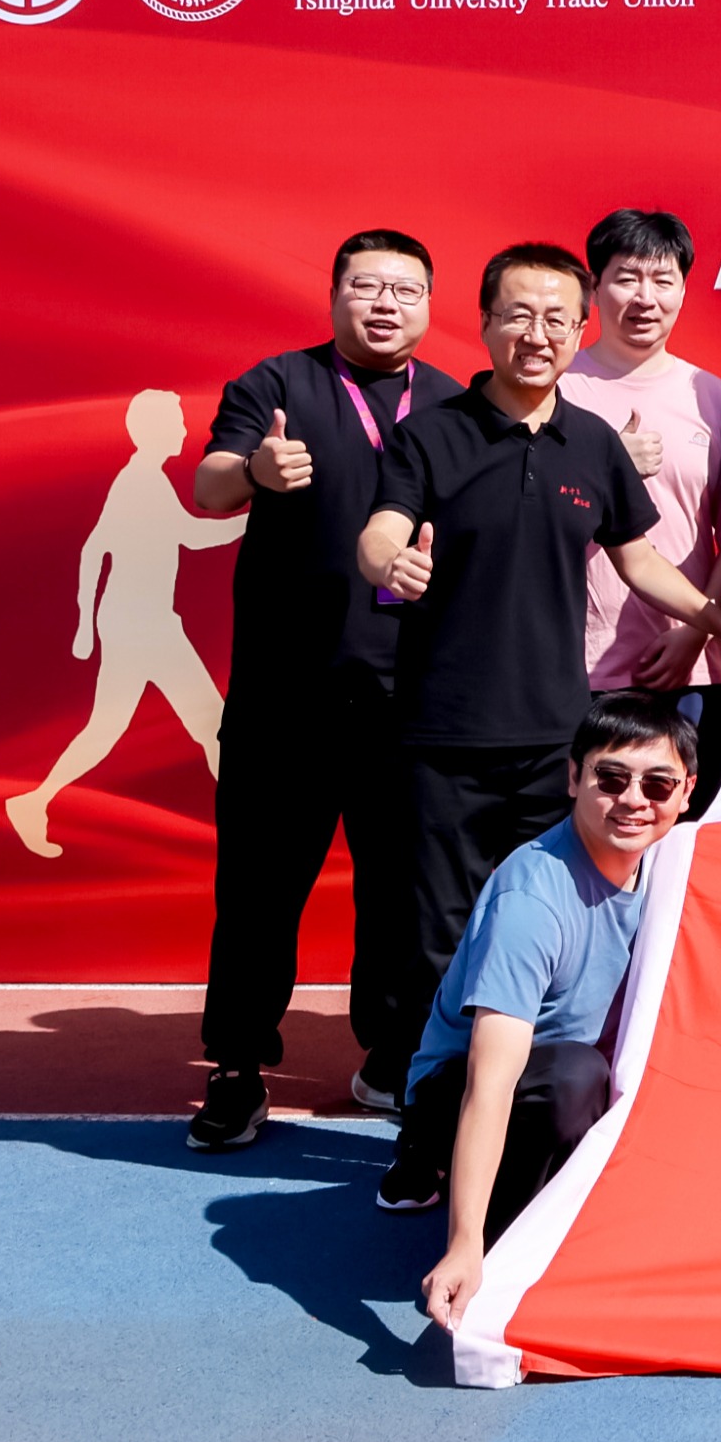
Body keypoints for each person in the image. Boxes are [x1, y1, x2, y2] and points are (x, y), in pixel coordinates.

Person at [356, 243, 721, 1140]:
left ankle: (527, 1122)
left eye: (555, 318)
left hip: (554, 738)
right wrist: (391, 561)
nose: (536, 334)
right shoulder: (431, 434)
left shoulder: (591, 441)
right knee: (438, 938)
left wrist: (716, 618)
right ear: (486, 322)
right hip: (441, 736)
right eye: (518, 315)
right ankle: (426, 1132)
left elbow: (638, 557)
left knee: (554, 930)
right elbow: (382, 529)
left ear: (580, 329)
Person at [180, 232, 467, 1141]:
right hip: (285, 698)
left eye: (405, 290)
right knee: (258, 890)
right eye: (367, 285)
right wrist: (254, 471)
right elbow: (209, 485)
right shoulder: (277, 384)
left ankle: (391, 1053)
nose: (386, 303)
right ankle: (236, 1065)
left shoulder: (456, 402)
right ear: (335, 293)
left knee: (401, 893)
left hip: (412, 699)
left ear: (430, 305)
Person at [399, 695, 697, 1323]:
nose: (634, 800)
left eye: (657, 784)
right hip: (473, 1092)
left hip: (583, 1080)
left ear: (686, 793)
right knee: (572, 1078)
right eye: (610, 778)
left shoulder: (677, 868)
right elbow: (490, 1081)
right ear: (573, 778)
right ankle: (504, 1252)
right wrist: (464, 1245)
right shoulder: (532, 900)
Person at [558, 208, 721, 810]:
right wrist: (607, 469)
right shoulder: (557, 388)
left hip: (689, 671)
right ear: (594, 288)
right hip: (575, 665)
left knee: (678, 837)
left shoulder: (710, 396)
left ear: (683, 291)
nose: (645, 297)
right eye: (626, 278)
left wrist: (695, 633)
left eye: (663, 280)